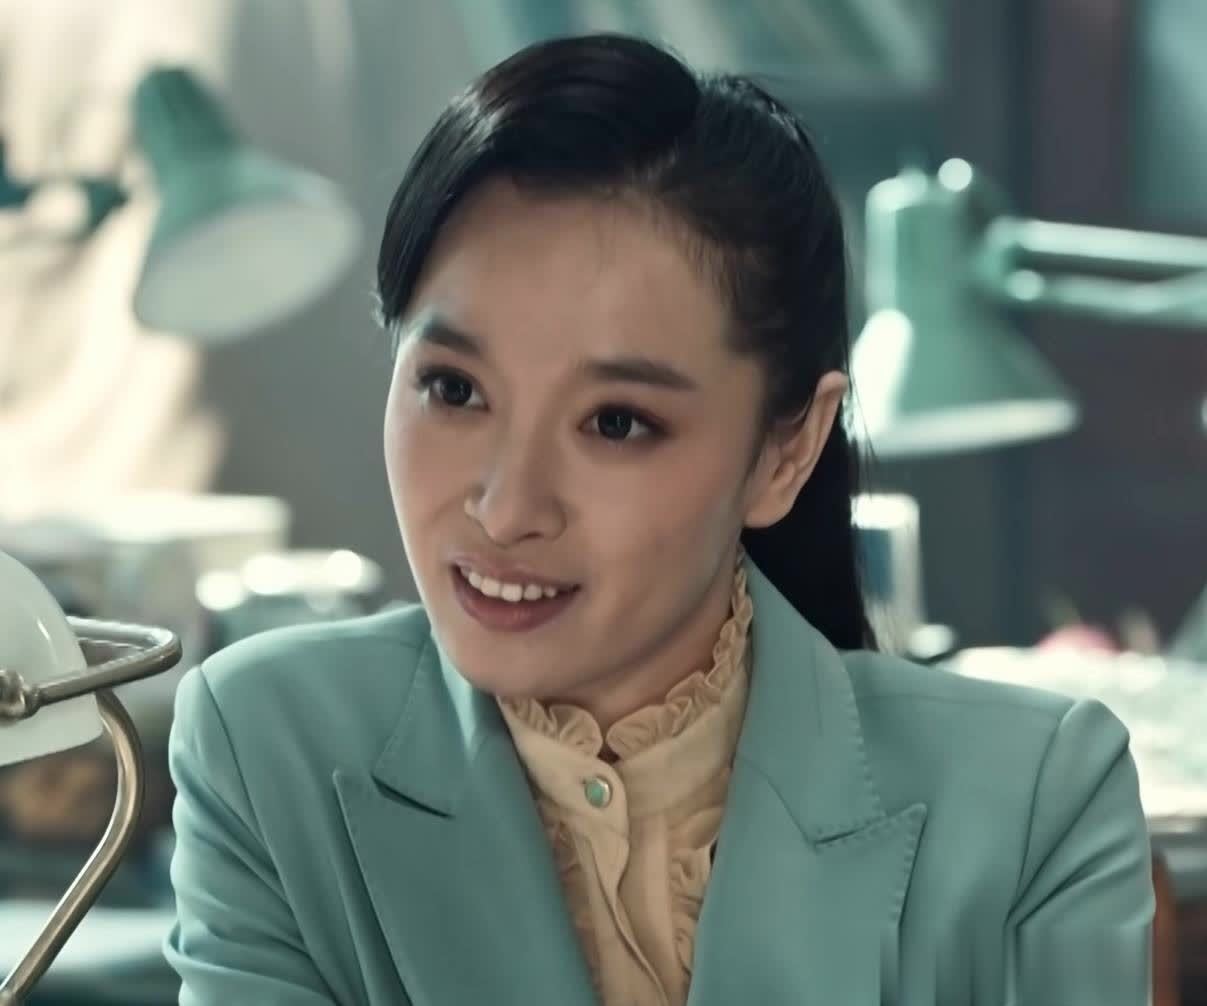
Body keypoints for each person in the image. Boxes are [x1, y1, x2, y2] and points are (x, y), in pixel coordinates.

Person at [163, 33, 1154, 1005]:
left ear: (786, 450)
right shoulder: (265, 746)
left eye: (615, 421)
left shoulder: (1034, 800)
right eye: (453, 389)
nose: (506, 508)